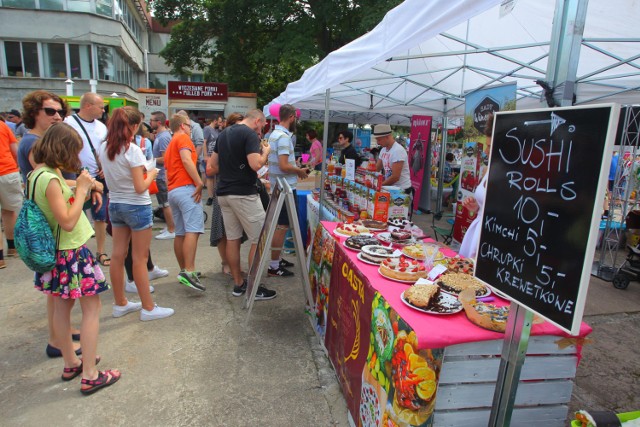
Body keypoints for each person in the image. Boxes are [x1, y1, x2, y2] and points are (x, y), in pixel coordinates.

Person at [30, 122, 120, 394]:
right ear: (64, 149)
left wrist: (86, 184)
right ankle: (91, 374)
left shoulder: (38, 174)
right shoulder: (50, 179)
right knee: (91, 311)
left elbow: (58, 189)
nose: (77, 159)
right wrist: (82, 190)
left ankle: (71, 361)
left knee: (61, 309)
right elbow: (68, 221)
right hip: (71, 253)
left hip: (57, 255)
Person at [17, 90, 90, 358]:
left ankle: (62, 336)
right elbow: (53, 187)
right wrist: (82, 189)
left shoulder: (38, 146)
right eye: (50, 111)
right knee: (58, 296)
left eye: (60, 111)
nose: (57, 115)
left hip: (56, 234)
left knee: (58, 296)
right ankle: (58, 341)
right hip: (59, 237)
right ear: (34, 112)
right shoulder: (35, 146)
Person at [99, 107, 174, 320]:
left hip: (116, 204)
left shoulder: (104, 147)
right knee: (139, 258)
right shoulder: (131, 150)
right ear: (132, 126)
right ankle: (148, 308)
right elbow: (140, 186)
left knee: (117, 255)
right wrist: (151, 172)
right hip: (136, 206)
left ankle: (120, 303)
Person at [209, 109, 276, 300]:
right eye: (262, 126)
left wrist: (232, 167)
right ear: (257, 121)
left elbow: (213, 164)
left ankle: (239, 284)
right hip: (243, 193)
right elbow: (256, 165)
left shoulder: (224, 134)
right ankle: (254, 287)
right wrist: (266, 152)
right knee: (259, 238)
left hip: (224, 192)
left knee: (233, 238)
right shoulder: (248, 133)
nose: (261, 131)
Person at [65, 93, 111, 268]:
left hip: (98, 177)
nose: (103, 110)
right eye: (100, 106)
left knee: (100, 215)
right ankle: (78, 252)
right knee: (77, 214)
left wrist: (104, 166)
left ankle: (100, 251)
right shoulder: (69, 123)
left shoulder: (101, 127)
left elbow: (105, 149)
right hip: (76, 176)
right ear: (87, 106)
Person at [267, 104, 309, 277]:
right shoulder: (283, 137)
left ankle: (277, 259)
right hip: (285, 187)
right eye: (296, 118)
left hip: (279, 185)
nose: (296, 121)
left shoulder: (273, 135)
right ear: (291, 117)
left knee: (281, 225)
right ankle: (274, 265)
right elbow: (284, 166)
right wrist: (299, 170)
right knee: (282, 226)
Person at [164, 114, 205, 291]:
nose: (191, 128)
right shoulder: (183, 138)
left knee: (180, 232)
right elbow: (187, 160)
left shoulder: (170, 144)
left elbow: (167, 172)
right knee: (193, 230)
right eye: (189, 125)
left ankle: (185, 270)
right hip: (186, 188)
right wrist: (199, 182)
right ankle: (189, 271)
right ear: (182, 125)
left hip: (173, 190)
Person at [207, 113, 243, 276]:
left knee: (236, 232)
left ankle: (234, 264)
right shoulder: (221, 141)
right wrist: (230, 166)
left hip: (239, 191)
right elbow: (210, 168)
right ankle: (225, 263)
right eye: (235, 125)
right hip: (223, 190)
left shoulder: (244, 142)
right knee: (222, 230)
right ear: (228, 126)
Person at [459, 114, 494, 259]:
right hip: (476, 232)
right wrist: (477, 206)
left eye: (490, 146)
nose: (485, 151)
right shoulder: (487, 170)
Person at [374, 124, 414, 218]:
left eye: (379, 139)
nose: (378, 142)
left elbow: (395, 177)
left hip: (401, 192)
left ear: (387, 137)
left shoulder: (398, 150)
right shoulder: (383, 150)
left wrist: (379, 185)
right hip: (390, 190)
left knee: (399, 221)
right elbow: (377, 168)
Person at [150, 111, 176, 240]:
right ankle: (170, 227)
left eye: (152, 120)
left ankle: (172, 230)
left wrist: (151, 161)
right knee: (163, 203)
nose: (150, 123)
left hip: (162, 175)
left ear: (158, 122)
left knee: (165, 204)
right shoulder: (160, 136)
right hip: (159, 175)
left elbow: (166, 158)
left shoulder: (164, 137)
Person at [0, 118, 22, 269]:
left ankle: (0, 258)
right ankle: (12, 248)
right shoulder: (3, 126)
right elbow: (15, 150)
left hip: (8, 170)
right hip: (8, 171)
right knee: (9, 211)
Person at [203, 115, 223, 206]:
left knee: (215, 177)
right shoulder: (207, 129)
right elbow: (204, 142)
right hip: (210, 156)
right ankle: (210, 197)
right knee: (210, 177)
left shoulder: (217, 130)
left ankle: (215, 195)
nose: (220, 123)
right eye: (219, 121)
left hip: (216, 156)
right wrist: (205, 155)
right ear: (215, 121)